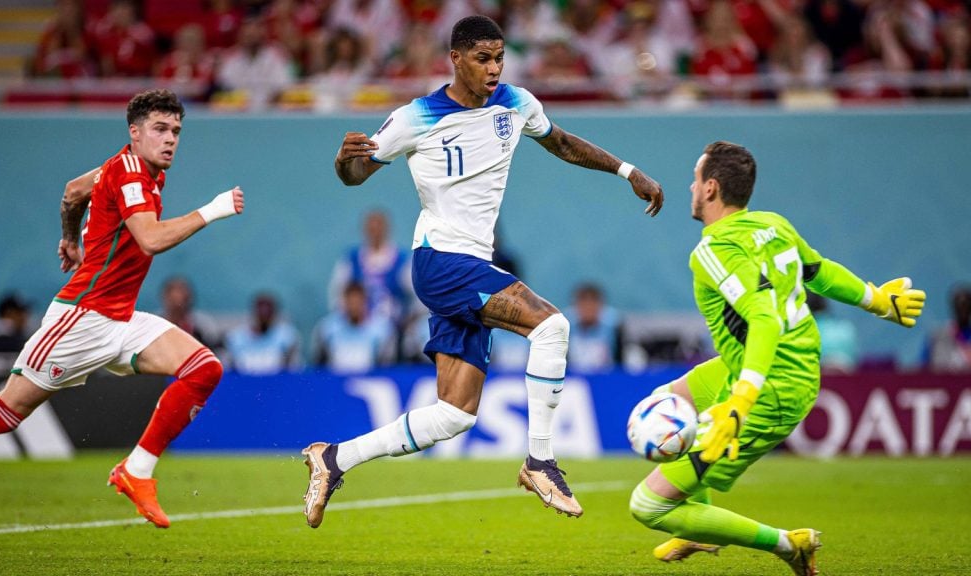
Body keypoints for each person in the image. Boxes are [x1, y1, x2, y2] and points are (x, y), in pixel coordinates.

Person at [301, 14, 664, 528]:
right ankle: (540, 461)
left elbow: (561, 143)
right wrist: (344, 161)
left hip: (473, 262)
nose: (494, 68)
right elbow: (355, 175)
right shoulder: (416, 116)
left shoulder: (516, 104)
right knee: (552, 327)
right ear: (455, 58)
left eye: (499, 57)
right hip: (441, 261)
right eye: (482, 58)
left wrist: (628, 171)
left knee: (454, 414)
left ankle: (334, 459)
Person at [0, 89, 244, 529]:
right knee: (5, 412)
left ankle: (137, 471)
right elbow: (151, 239)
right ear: (135, 132)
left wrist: (71, 238)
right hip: (81, 319)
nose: (170, 140)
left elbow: (73, 191)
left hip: (120, 318)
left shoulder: (134, 168)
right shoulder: (129, 175)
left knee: (203, 368)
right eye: (160, 130)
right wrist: (213, 209)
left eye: (176, 131)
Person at [627, 141, 924, 575]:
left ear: (710, 188)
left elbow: (763, 318)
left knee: (648, 505)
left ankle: (788, 545)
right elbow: (818, 271)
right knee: (672, 399)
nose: (690, 186)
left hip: (770, 389)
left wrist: (740, 404)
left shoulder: (713, 252)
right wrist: (876, 300)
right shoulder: (772, 225)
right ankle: (697, 525)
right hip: (775, 365)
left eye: (695, 178)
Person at [327, 210, 412, 329]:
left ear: (386, 229)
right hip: (360, 325)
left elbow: (416, 294)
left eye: (379, 228)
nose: (375, 233)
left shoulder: (402, 260)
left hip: (395, 325)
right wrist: (346, 316)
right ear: (365, 230)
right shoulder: (351, 258)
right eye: (371, 229)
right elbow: (337, 291)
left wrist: (411, 317)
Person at [312, 281, 397, 373]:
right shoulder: (328, 328)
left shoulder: (381, 330)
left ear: (365, 302)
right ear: (344, 302)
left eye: (357, 302)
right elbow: (319, 364)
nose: (354, 307)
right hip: (334, 381)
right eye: (350, 302)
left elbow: (387, 365)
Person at [225, 293, 303, 375]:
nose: (264, 315)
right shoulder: (236, 338)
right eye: (261, 311)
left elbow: (294, 369)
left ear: (275, 313)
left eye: (268, 312)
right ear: (254, 312)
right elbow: (229, 369)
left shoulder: (287, 336)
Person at [926, 284, 971, 372]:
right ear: (953, 307)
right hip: (943, 383)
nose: (962, 310)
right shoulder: (938, 336)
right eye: (959, 305)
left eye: (966, 305)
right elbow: (924, 368)